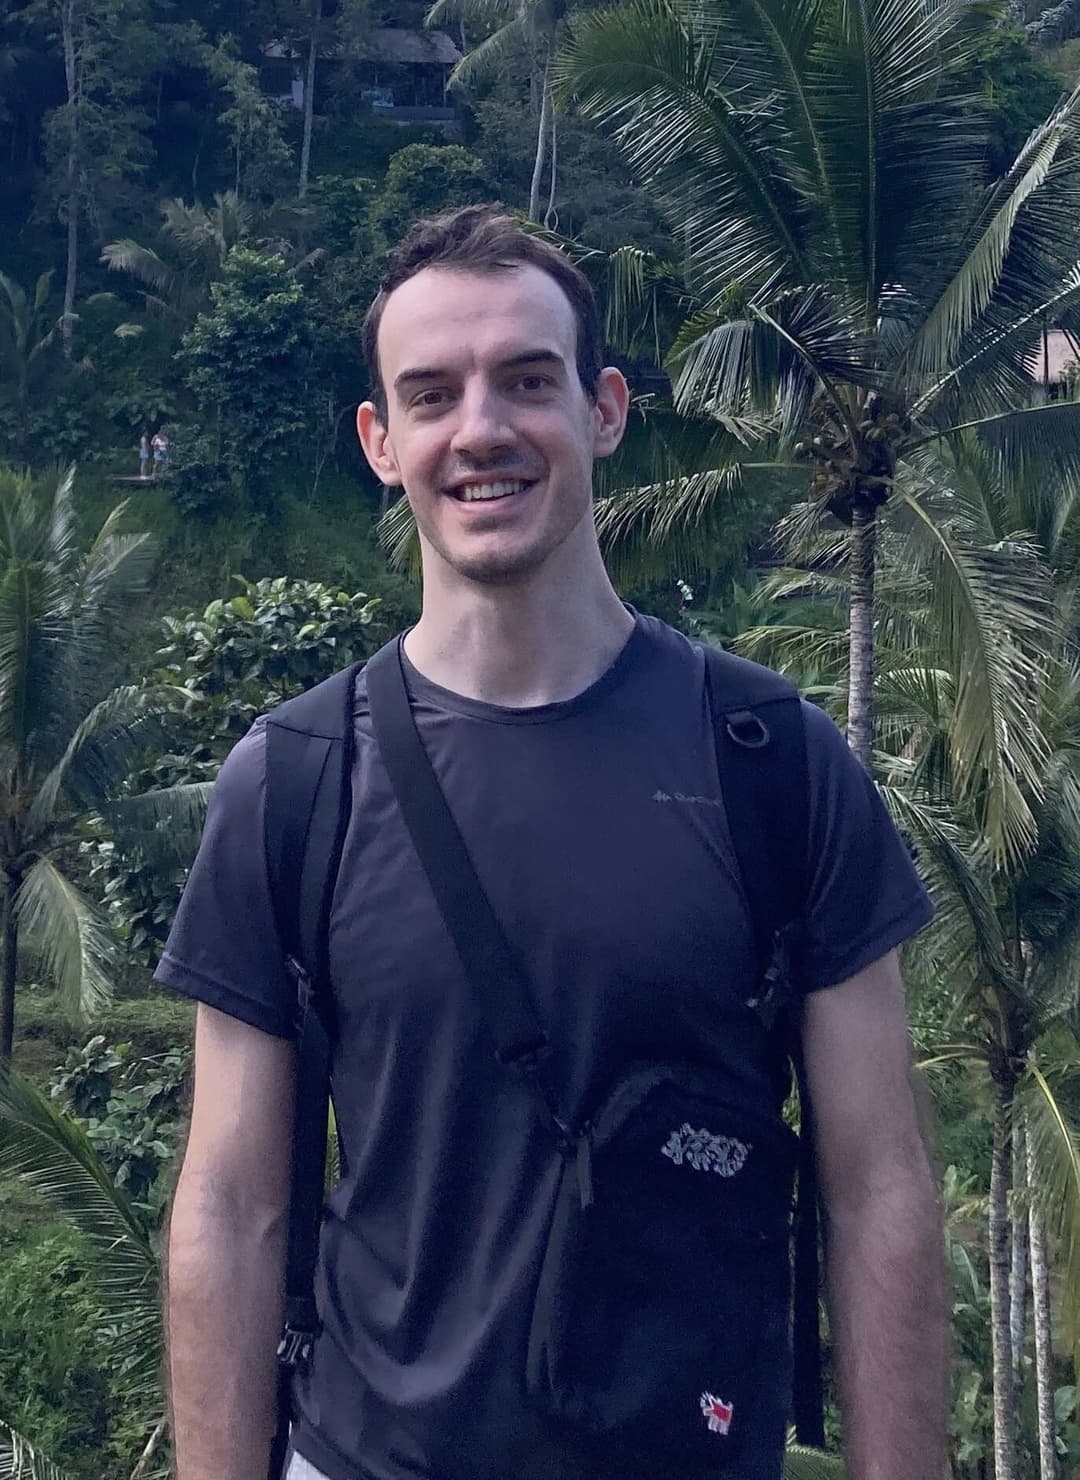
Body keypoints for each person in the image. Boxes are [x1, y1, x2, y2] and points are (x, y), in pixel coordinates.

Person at [160, 205, 949, 1480]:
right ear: (381, 440)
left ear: (604, 409)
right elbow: (231, 1206)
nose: (482, 429)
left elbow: (881, 1189)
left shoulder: (773, 761)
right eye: (431, 394)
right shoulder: (296, 781)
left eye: (528, 380)